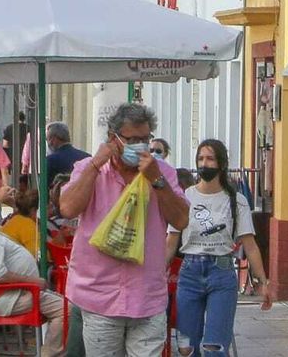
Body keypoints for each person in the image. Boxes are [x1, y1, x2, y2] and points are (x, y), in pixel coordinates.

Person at [58, 103, 190, 356]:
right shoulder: (89, 168)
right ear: (114, 138)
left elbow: (182, 219)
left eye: (145, 139)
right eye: (132, 140)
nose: (140, 146)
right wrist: (95, 165)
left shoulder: (163, 173)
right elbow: (68, 208)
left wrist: (157, 180)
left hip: (147, 297)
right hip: (99, 296)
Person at [166, 140, 272, 357]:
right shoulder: (185, 197)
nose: (204, 164)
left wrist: (263, 281)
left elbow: (250, 245)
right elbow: (171, 240)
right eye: (200, 159)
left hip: (221, 272)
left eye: (210, 159)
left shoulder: (236, 200)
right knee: (187, 348)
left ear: (221, 164)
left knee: (215, 347)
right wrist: (158, 273)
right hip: (189, 272)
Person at [0, 188, 67, 357]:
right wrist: (33, 281)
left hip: (13, 293)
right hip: (10, 297)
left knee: (66, 305)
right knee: (68, 309)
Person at [0, 184, 41, 255]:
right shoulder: (27, 225)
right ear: (34, 210)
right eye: (49, 207)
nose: (52, 211)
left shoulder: (16, 219)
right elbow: (38, 255)